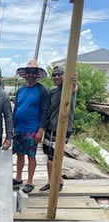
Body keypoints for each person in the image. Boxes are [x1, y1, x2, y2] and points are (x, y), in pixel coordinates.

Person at [12, 59, 49, 193]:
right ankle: (18, 177)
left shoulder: (42, 90)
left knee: (31, 156)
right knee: (19, 155)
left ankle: (30, 181)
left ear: (37, 74)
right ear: (25, 74)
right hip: (18, 128)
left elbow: (45, 111)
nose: (31, 75)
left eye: (33, 72)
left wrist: (40, 130)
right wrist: (12, 127)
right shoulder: (20, 90)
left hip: (32, 129)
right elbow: (16, 108)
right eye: (29, 72)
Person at [39, 64, 78, 192]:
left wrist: (72, 80)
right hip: (50, 127)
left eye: (59, 74)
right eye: (54, 75)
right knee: (48, 156)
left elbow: (73, 86)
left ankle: (57, 182)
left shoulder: (68, 88)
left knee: (53, 158)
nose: (56, 76)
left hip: (63, 128)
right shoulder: (53, 90)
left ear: (64, 75)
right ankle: (53, 181)